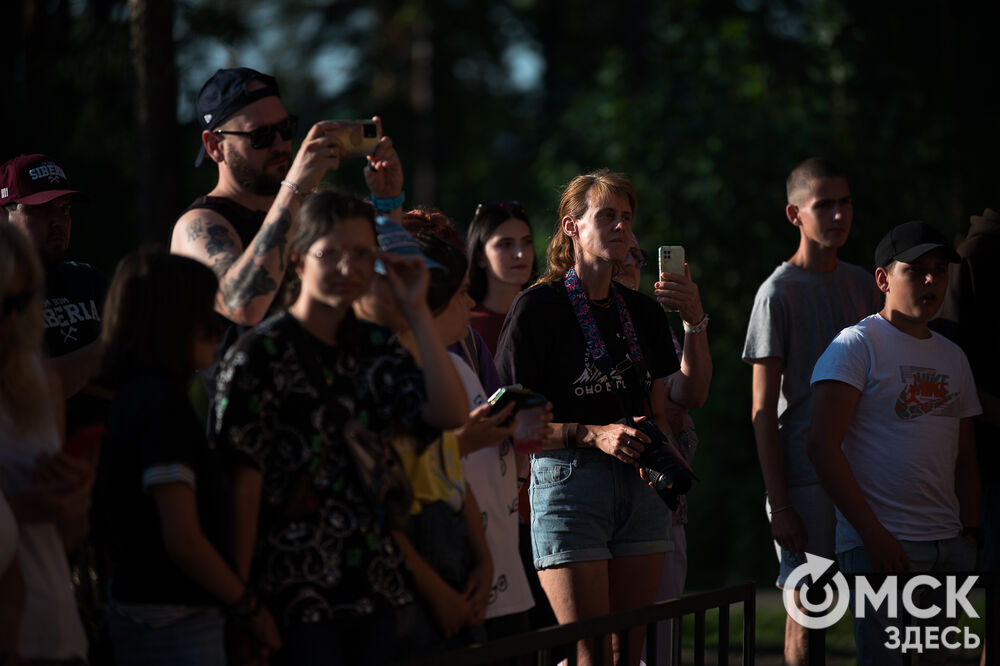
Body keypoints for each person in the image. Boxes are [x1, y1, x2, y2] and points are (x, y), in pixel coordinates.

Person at [214, 190, 466, 665]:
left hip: (379, 591)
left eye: (362, 254)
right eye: (331, 253)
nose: (349, 267)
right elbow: (241, 486)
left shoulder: (373, 347)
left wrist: (415, 310)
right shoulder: (258, 356)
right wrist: (243, 604)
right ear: (296, 259)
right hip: (295, 598)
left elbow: (449, 414)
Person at [495, 169, 683, 666]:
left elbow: (660, 411)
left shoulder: (642, 312)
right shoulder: (536, 308)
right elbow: (512, 425)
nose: (621, 227)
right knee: (592, 653)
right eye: (606, 216)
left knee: (629, 652)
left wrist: (671, 473)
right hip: (568, 483)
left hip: (642, 483)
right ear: (572, 227)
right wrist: (591, 434)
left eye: (627, 217)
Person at [170, 67, 406, 416]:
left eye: (285, 129)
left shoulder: (303, 209)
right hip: (254, 433)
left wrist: (388, 203)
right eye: (261, 136)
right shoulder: (200, 224)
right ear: (215, 146)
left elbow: (375, 293)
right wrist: (294, 188)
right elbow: (242, 305)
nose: (281, 145)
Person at [93, 248, 280, 665]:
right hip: (173, 625)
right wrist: (248, 607)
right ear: (172, 321)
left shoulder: (139, 396)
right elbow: (184, 539)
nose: (216, 328)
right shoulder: (160, 407)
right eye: (202, 313)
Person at [808, 220, 981, 666]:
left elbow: (965, 457)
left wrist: (970, 534)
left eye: (940, 271)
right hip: (882, 549)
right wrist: (872, 535)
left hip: (948, 547)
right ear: (883, 279)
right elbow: (821, 447)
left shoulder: (953, 355)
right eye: (917, 269)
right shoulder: (856, 345)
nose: (931, 280)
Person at [742, 157, 881, 664]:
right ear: (794, 214)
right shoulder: (776, 293)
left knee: (880, 615)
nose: (839, 214)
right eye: (825, 205)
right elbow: (762, 409)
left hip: (866, 474)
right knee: (811, 615)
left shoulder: (865, 284)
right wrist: (780, 503)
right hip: (804, 481)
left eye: (845, 202)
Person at [616, 235, 711, 666]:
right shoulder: (562, 316)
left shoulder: (650, 325)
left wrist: (693, 321)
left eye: (637, 255)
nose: (629, 262)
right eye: (620, 252)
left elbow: (691, 391)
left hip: (657, 500)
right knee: (600, 646)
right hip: (596, 506)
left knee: (657, 646)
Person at [0, 220, 92, 664]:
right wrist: (18, 511)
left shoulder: (38, 384)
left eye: (24, 301)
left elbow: (64, 537)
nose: (14, 320)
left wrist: (76, 496)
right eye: (3, 304)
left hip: (58, 635)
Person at [465, 201, 538, 356]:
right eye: (505, 244)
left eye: (527, 242)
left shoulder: (547, 318)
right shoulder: (464, 326)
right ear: (480, 257)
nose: (520, 254)